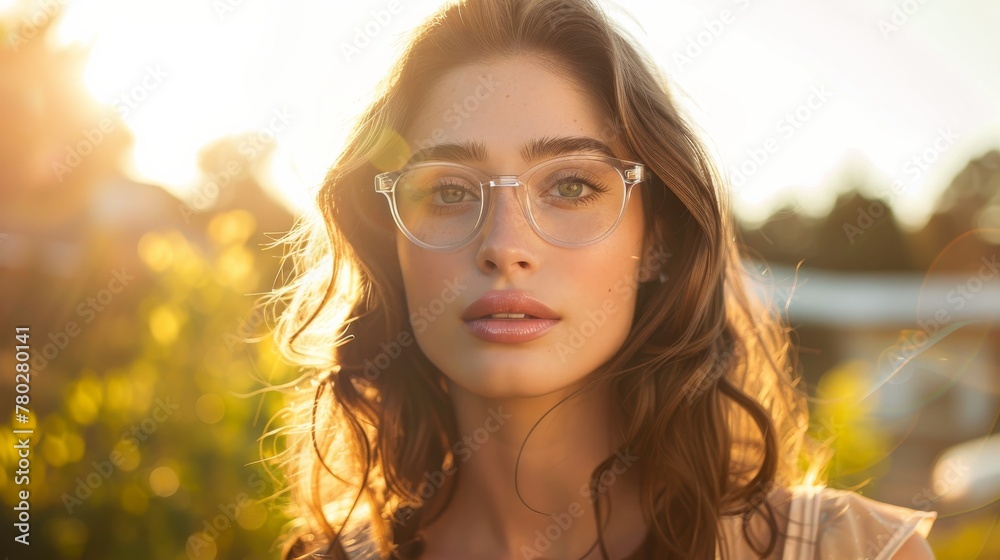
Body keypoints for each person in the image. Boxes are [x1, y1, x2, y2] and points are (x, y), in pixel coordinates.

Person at [266, 0, 936, 558]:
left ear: (658, 239)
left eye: (571, 184)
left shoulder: (859, 550)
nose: (503, 247)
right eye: (447, 192)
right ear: (391, 241)